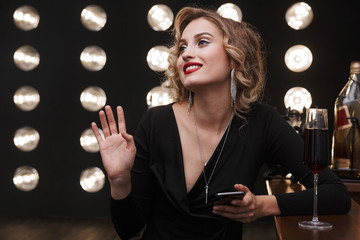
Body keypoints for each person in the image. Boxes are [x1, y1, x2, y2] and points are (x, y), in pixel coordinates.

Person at [91, 6, 351, 240]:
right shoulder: (156, 122)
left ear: (235, 58)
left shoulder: (262, 121)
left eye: (201, 42)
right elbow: (129, 230)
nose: (186, 54)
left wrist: (262, 205)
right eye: (182, 47)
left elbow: (336, 195)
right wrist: (119, 180)